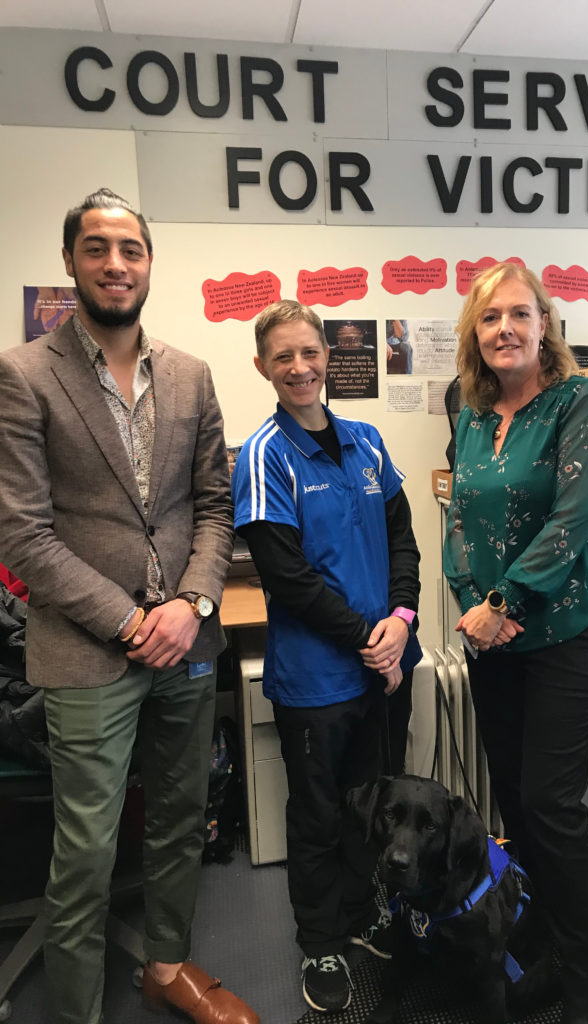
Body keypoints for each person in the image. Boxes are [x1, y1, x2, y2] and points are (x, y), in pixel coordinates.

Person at [0, 188, 260, 1024]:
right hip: (88, 651)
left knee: (181, 819)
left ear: (149, 263)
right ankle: (77, 1011)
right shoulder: (25, 375)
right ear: (71, 261)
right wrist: (128, 619)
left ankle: (167, 966)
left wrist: (193, 602)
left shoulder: (191, 374)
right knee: (86, 850)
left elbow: (213, 507)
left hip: (187, 643)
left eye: (131, 250)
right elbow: (23, 535)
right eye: (98, 248)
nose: (116, 264)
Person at [443, 263, 588, 1024]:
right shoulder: (470, 414)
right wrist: (472, 603)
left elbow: (576, 516)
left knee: (551, 806)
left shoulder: (579, 400)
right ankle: (549, 956)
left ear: (544, 323)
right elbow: (459, 519)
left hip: (575, 628)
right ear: (475, 333)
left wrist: (504, 601)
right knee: (518, 807)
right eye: (490, 318)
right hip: (498, 641)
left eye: (520, 313)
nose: (505, 329)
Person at [231, 300, 421, 1013]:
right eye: (283, 356)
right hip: (319, 680)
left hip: (388, 665)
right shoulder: (265, 455)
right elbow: (288, 577)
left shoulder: (368, 442)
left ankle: (359, 914)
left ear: (327, 357)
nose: (299, 367)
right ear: (263, 367)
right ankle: (320, 942)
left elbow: (403, 541)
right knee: (317, 816)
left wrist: (401, 620)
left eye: (309, 352)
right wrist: (372, 642)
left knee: (373, 808)